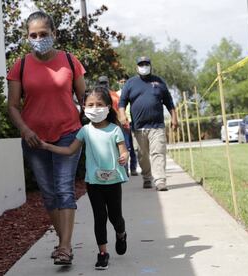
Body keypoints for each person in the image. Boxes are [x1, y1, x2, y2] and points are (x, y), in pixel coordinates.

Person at [6, 11, 86, 266]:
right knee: (49, 194)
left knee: (64, 189)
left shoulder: (70, 62)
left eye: (43, 34)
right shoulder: (21, 65)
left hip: (67, 133)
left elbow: (84, 100)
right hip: (34, 140)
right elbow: (12, 106)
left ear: (54, 34)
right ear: (27, 37)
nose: (39, 38)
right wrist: (25, 130)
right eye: (33, 35)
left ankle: (64, 246)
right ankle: (64, 244)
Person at [40, 86, 129, 270]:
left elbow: (124, 151)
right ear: (84, 107)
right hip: (94, 183)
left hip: (113, 182)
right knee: (99, 217)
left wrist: (124, 157)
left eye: (99, 104)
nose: (95, 108)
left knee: (115, 217)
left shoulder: (115, 130)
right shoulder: (85, 131)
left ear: (107, 107)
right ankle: (103, 253)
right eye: (90, 104)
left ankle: (121, 233)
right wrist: (48, 147)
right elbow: (69, 150)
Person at [118, 56, 178, 191]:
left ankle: (160, 181)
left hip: (157, 126)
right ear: (136, 67)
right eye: (141, 64)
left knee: (158, 153)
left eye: (146, 64)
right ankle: (146, 177)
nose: (144, 66)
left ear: (150, 66)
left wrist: (174, 118)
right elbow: (122, 102)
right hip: (138, 127)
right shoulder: (130, 83)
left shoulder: (159, 82)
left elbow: (169, 102)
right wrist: (122, 116)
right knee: (142, 154)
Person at [117, 75, 139, 176]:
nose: (123, 83)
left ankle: (133, 168)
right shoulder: (116, 95)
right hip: (122, 124)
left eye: (125, 81)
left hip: (133, 122)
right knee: (125, 146)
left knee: (134, 147)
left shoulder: (132, 93)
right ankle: (125, 170)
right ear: (118, 82)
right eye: (121, 81)